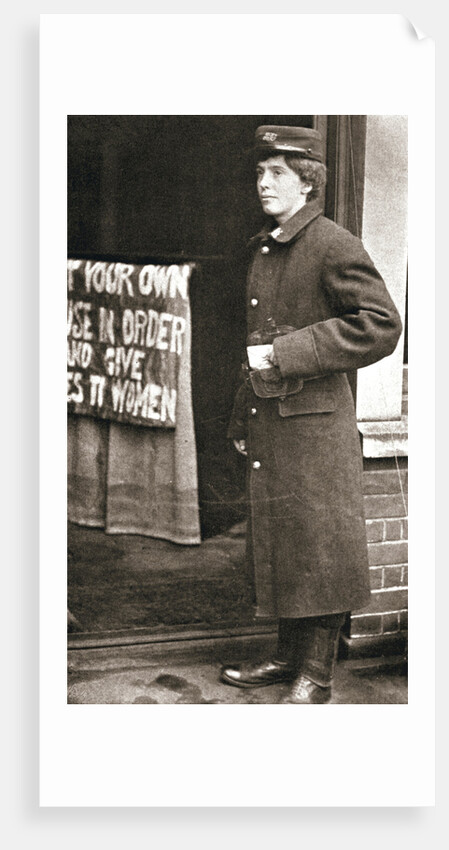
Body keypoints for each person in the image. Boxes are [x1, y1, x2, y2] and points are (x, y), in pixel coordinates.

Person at [221, 125, 403, 704]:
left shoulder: (332, 243)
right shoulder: (269, 244)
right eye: (259, 172)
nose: (263, 182)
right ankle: (284, 656)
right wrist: (240, 417)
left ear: (309, 181)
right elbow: (255, 344)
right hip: (273, 420)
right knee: (282, 541)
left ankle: (316, 674)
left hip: (317, 426)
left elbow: (381, 323)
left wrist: (289, 350)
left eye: (277, 173)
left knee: (319, 545)